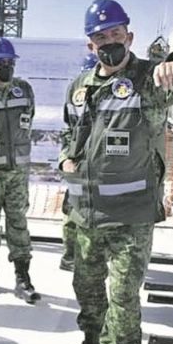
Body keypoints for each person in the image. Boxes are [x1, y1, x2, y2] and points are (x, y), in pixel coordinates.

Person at [53, 0, 173, 344]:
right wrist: (67, 158)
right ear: (90, 45)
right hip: (84, 211)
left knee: (122, 294)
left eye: (115, 35)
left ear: (130, 37)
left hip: (131, 214)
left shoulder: (150, 80)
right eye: (100, 38)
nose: (109, 43)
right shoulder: (81, 86)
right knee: (86, 286)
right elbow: (73, 132)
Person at [0, 36, 39, 304]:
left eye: (10, 62)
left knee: (18, 224)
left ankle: (22, 278)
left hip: (17, 174)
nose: (7, 67)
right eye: (1, 62)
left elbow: (28, 121)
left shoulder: (23, 89)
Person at [59, 52, 99, 273]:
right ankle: (70, 255)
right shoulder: (75, 95)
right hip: (78, 165)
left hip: (101, 168)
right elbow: (67, 131)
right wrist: (66, 158)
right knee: (72, 212)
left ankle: (90, 256)